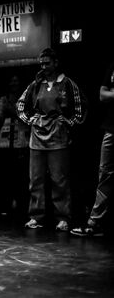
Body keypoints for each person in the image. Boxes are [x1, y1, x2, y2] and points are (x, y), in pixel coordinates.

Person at [17, 47, 87, 231]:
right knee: (36, 179)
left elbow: (80, 107)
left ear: (56, 63)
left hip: (57, 134)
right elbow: (21, 104)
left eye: (47, 63)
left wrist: (70, 122)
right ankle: (35, 216)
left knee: (59, 179)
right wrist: (28, 119)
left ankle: (63, 217)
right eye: (41, 63)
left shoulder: (67, 83)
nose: (44, 66)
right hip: (37, 134)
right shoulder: (36, 83)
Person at [70, 64, 114, 237]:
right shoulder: (112, 66)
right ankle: (94, 222)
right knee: (105, 174)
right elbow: (102, 95)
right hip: (111, 128)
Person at [0, 75, 30, 219]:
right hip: (4, 141)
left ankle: (22, 207)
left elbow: (26, 117)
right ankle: (4, 206)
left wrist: (12, 110)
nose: (14, 83)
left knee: (21, 177)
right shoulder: (4, 99)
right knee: (5, 176)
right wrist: (3, 109)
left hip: (21, 141)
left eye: (16, 80)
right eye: (11, 80)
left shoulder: (27, 98)